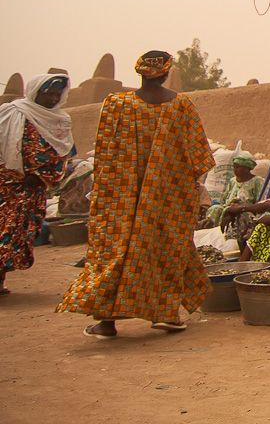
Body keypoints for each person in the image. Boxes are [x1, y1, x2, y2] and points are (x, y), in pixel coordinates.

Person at [57, 51, 214, 338]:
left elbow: (102, 152)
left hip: (119, 198)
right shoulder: (181, 106)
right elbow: (199, 158)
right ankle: (165, 314)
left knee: (115, 251)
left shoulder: (116, 104)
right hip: (167, 198)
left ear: (139, 72)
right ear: (166, 72)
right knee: (165, 249)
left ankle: (107, 322)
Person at [0, 74, 75, 294]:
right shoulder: (12, 112)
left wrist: (41, 175)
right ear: (35, 92)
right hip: (5, 184)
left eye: (57, 94)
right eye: (49, 93)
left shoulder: (60, 120)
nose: (53, 99)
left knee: (17, 233)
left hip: (32, 189)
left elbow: (63, 153)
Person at [207, 152, 264, 248]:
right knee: (215, 209)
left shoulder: (257, 181)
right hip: (229, 208)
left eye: (238, 167)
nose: (235, 170)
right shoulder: (232, 181)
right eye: (234, 167)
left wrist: (239, 207)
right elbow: (225, 199)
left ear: (246, 169)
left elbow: (260, 202)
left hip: (246, 209)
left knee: (242, 216)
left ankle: (234, 243)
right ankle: (214, 238)